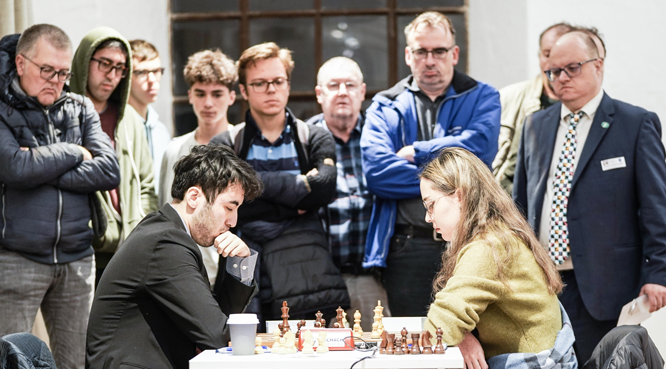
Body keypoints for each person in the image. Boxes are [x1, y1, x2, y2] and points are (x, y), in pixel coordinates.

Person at [0, 24, 120, 369]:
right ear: (21, 64)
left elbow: (108, 170)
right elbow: (13, 168)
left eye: (63, 72)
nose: (56, 81)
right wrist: (75, 152)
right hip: (13, 256)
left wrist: (37, 166)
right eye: (47, 70)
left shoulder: (80, 107)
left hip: (77, 257)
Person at [513, 31, 666, 366]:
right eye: (553, 71)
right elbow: (520, 205)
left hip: (606, 286)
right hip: (543, 286)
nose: (561, 78)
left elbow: (655, 207)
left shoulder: (634, 124)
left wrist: (661, 273)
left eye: (572, 68)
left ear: (598, 66)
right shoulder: (535, 126)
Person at [81, 144, 263, 369]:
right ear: (194, 197)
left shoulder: (168, 234)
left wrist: (239, 264)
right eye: (229, 208)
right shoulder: (166, 243)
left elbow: (213, 323)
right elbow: (216, 334)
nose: (233, 222)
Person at [413, 147, 584, 369]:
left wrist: (455, 332)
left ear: (459, 196)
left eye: (430, 205)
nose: (428, 217)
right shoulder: (500, 236)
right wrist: (463, 335)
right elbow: (450, 322)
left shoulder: (487, 248)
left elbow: (436, 331)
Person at [361, 11, 500, 317]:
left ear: (454, 54)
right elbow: (377, 173)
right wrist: (452, 181)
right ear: (408, 55)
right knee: (414, 338)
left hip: (472, 240)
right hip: (408, 247)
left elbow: (480, 150)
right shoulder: (385, 104)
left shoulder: (483, 97)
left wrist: (416, 151)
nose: (430, 60)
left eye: (438, 51)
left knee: (474, 336)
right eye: (421, 51)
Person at [210, 42, 348, 322]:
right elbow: (221, 206)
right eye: (260, 83)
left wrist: (246, 189)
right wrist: (295, 200)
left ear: (288, 85)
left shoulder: (314, 138)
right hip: (244, 266)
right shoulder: (225, 144)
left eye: (278, 81)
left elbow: (323, 189)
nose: (271, 89)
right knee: (242, 345)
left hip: (303, 272)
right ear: (244, 91)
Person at [307, 57, 389, 330]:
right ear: (319, 94)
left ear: (362, 92)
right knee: (323, 355)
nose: (342, 92)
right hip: (320, 279)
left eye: (350, 85)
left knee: (376, 353)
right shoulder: (304, 140)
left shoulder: (380, 136)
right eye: (333, 85)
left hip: (374, 278)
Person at [70, 27, 158, 282]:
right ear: (85, 62)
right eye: (105, 64)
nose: (111, 75)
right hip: (81, 253)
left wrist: (140, 233)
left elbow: (146, 186)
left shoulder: (129, 117)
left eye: (120, 68)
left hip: (128, 255)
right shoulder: (64, 115)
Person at [159, 49, 238, 284]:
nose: (208, 103)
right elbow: (164, 208)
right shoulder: (174, 149)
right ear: (190, 96)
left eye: (217, 94)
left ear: (231, 97)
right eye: (200, 94)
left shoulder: (241, 144)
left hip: (228, 269)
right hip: (179, 270)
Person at [492, 22, 574, 194]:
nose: (553, 63)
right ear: (539, 55)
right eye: (547, 54)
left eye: (561, 54)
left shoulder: (583, 107)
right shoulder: (506, 98)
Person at [128, 39, 171, 195]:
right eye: (142, 73)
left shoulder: (161, 130)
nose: (152, 80)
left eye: (156, 71)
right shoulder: (119, 128)